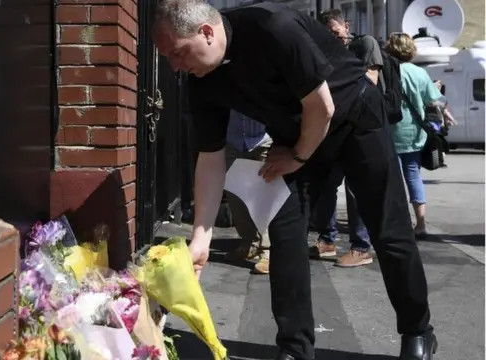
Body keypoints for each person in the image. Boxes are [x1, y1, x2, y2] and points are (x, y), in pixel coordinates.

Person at [151, 2, 436, 360]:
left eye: (177, 53)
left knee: (387, 228)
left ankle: (417, 330)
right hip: (297, 136)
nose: (176, 67)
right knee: (285, 237)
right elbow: (209, 159)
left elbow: (323, 107)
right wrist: (201, 238)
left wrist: (298, 155)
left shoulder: (274, 28)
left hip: (354, 119)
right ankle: (295, 348)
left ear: (206, 33)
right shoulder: (202, 79)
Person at [307, 9, 379, 267]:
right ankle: (326, 240)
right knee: (325, 186)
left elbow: (372, 80)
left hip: (357, 128)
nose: (334, 38)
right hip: (332, 130)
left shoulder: (364, 44)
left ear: (346, 26)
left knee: (355, 190)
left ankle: (361, 247)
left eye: (336, 33)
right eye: (328, 35)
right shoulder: (322, 50)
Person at [384, 33, 451, 238]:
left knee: (389, 181)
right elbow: (436, 100)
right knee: (413, 176)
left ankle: (393, 223)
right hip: (414, 134)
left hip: (389, 133)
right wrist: (446, 114)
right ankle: (420, 224)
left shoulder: (386, 72)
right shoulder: (419, 73)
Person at [224, 110, 272, 274]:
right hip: (234, 140)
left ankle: (268, 251)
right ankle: (250, 243)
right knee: (235, 194)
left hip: (263, 139)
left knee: (263, 196)